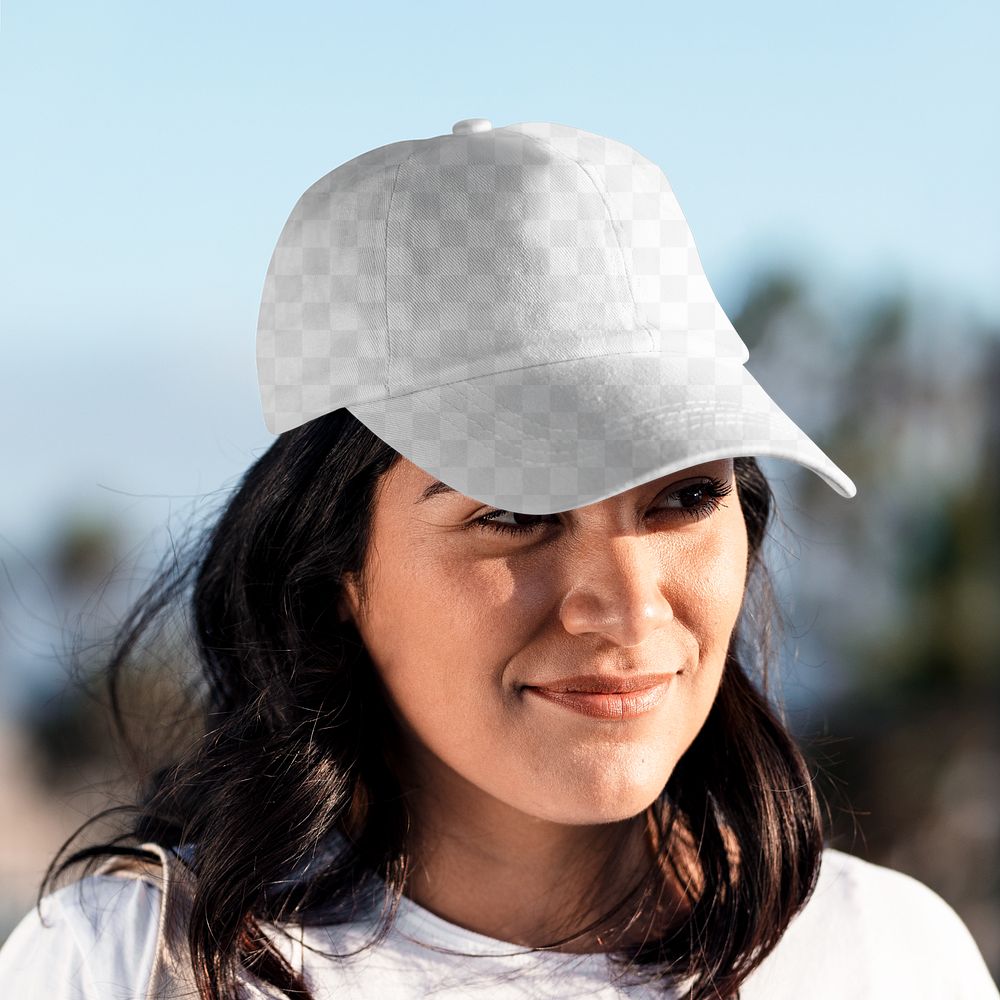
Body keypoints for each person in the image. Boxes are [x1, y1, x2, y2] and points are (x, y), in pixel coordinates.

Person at [0, 118, 995, 1000]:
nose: (626, 602)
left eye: (686, 496)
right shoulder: (129, 967)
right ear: (331, 567)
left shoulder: (880, 958)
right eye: (518, 512)